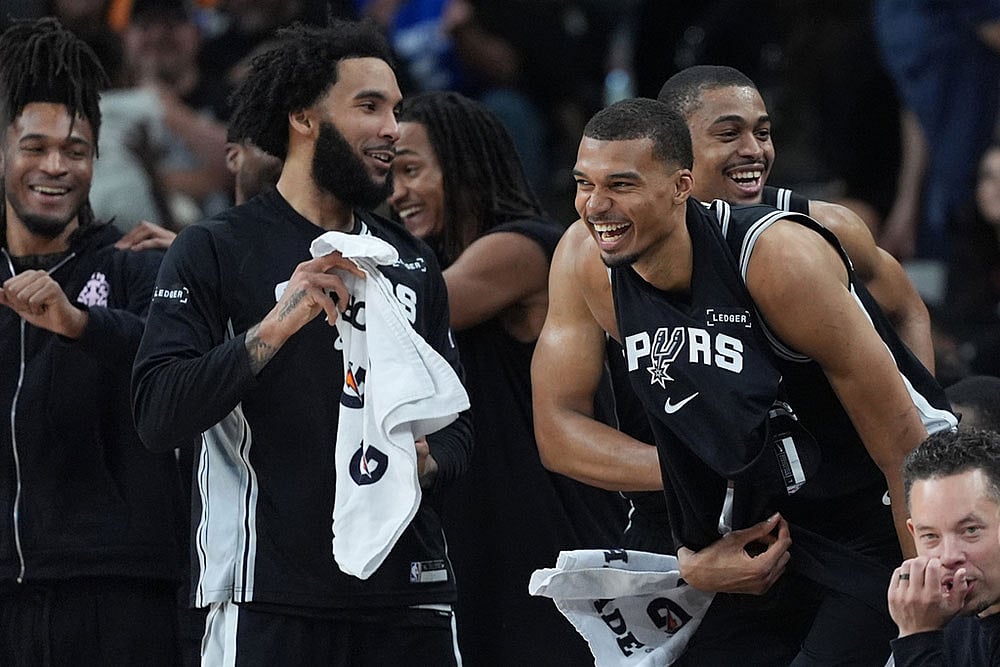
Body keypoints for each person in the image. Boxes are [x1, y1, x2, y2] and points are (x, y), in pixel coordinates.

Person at [532, 97, 956, 664]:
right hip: (752, 529)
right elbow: (559, 432)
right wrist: (699, 532)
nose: (596, 205)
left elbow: (902, 440)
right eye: (585, 184)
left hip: (861, 522)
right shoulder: (592, 261)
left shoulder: (781, 255)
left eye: (622, 185)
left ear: (682, 185)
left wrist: (924, 621)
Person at [131, 19, 473, 666]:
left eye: (396, 110)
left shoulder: (412, 261)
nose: (392, 129)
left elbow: (458, 431)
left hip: (409, 601)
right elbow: (157, 411)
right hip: (270, 599)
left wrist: (420, 460)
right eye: (369, 106)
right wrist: (274, 327)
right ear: (303, 118)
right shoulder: (216, 248)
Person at [388, 89, 627, 666]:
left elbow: (403, 315)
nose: (397, 193)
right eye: (389, 176)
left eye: (412, 171)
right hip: (486, 531)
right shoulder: (426, 259)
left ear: (463, 165)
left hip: (545, 531)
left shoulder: (521, 247)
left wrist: (262, 269)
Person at [0, 17, 185, 665]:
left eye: (75, 150)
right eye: (35, 146)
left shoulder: (138, 266)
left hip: (121, 593)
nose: (56, 167)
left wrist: (80, 323)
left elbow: (177, 358)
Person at [656, 64, 934, 371]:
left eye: (762, 133)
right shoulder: (627, 242)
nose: (754, 150)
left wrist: (930, 413)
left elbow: (907, 309)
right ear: (673, 148)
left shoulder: (828, 228)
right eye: (729, 134)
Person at [887, 428, 1000, 664]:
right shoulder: (932, 614)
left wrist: (917, 640)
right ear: (913, 533)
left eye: (970, 531)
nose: (948, 557)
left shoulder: (923, 628)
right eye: (930, 536)